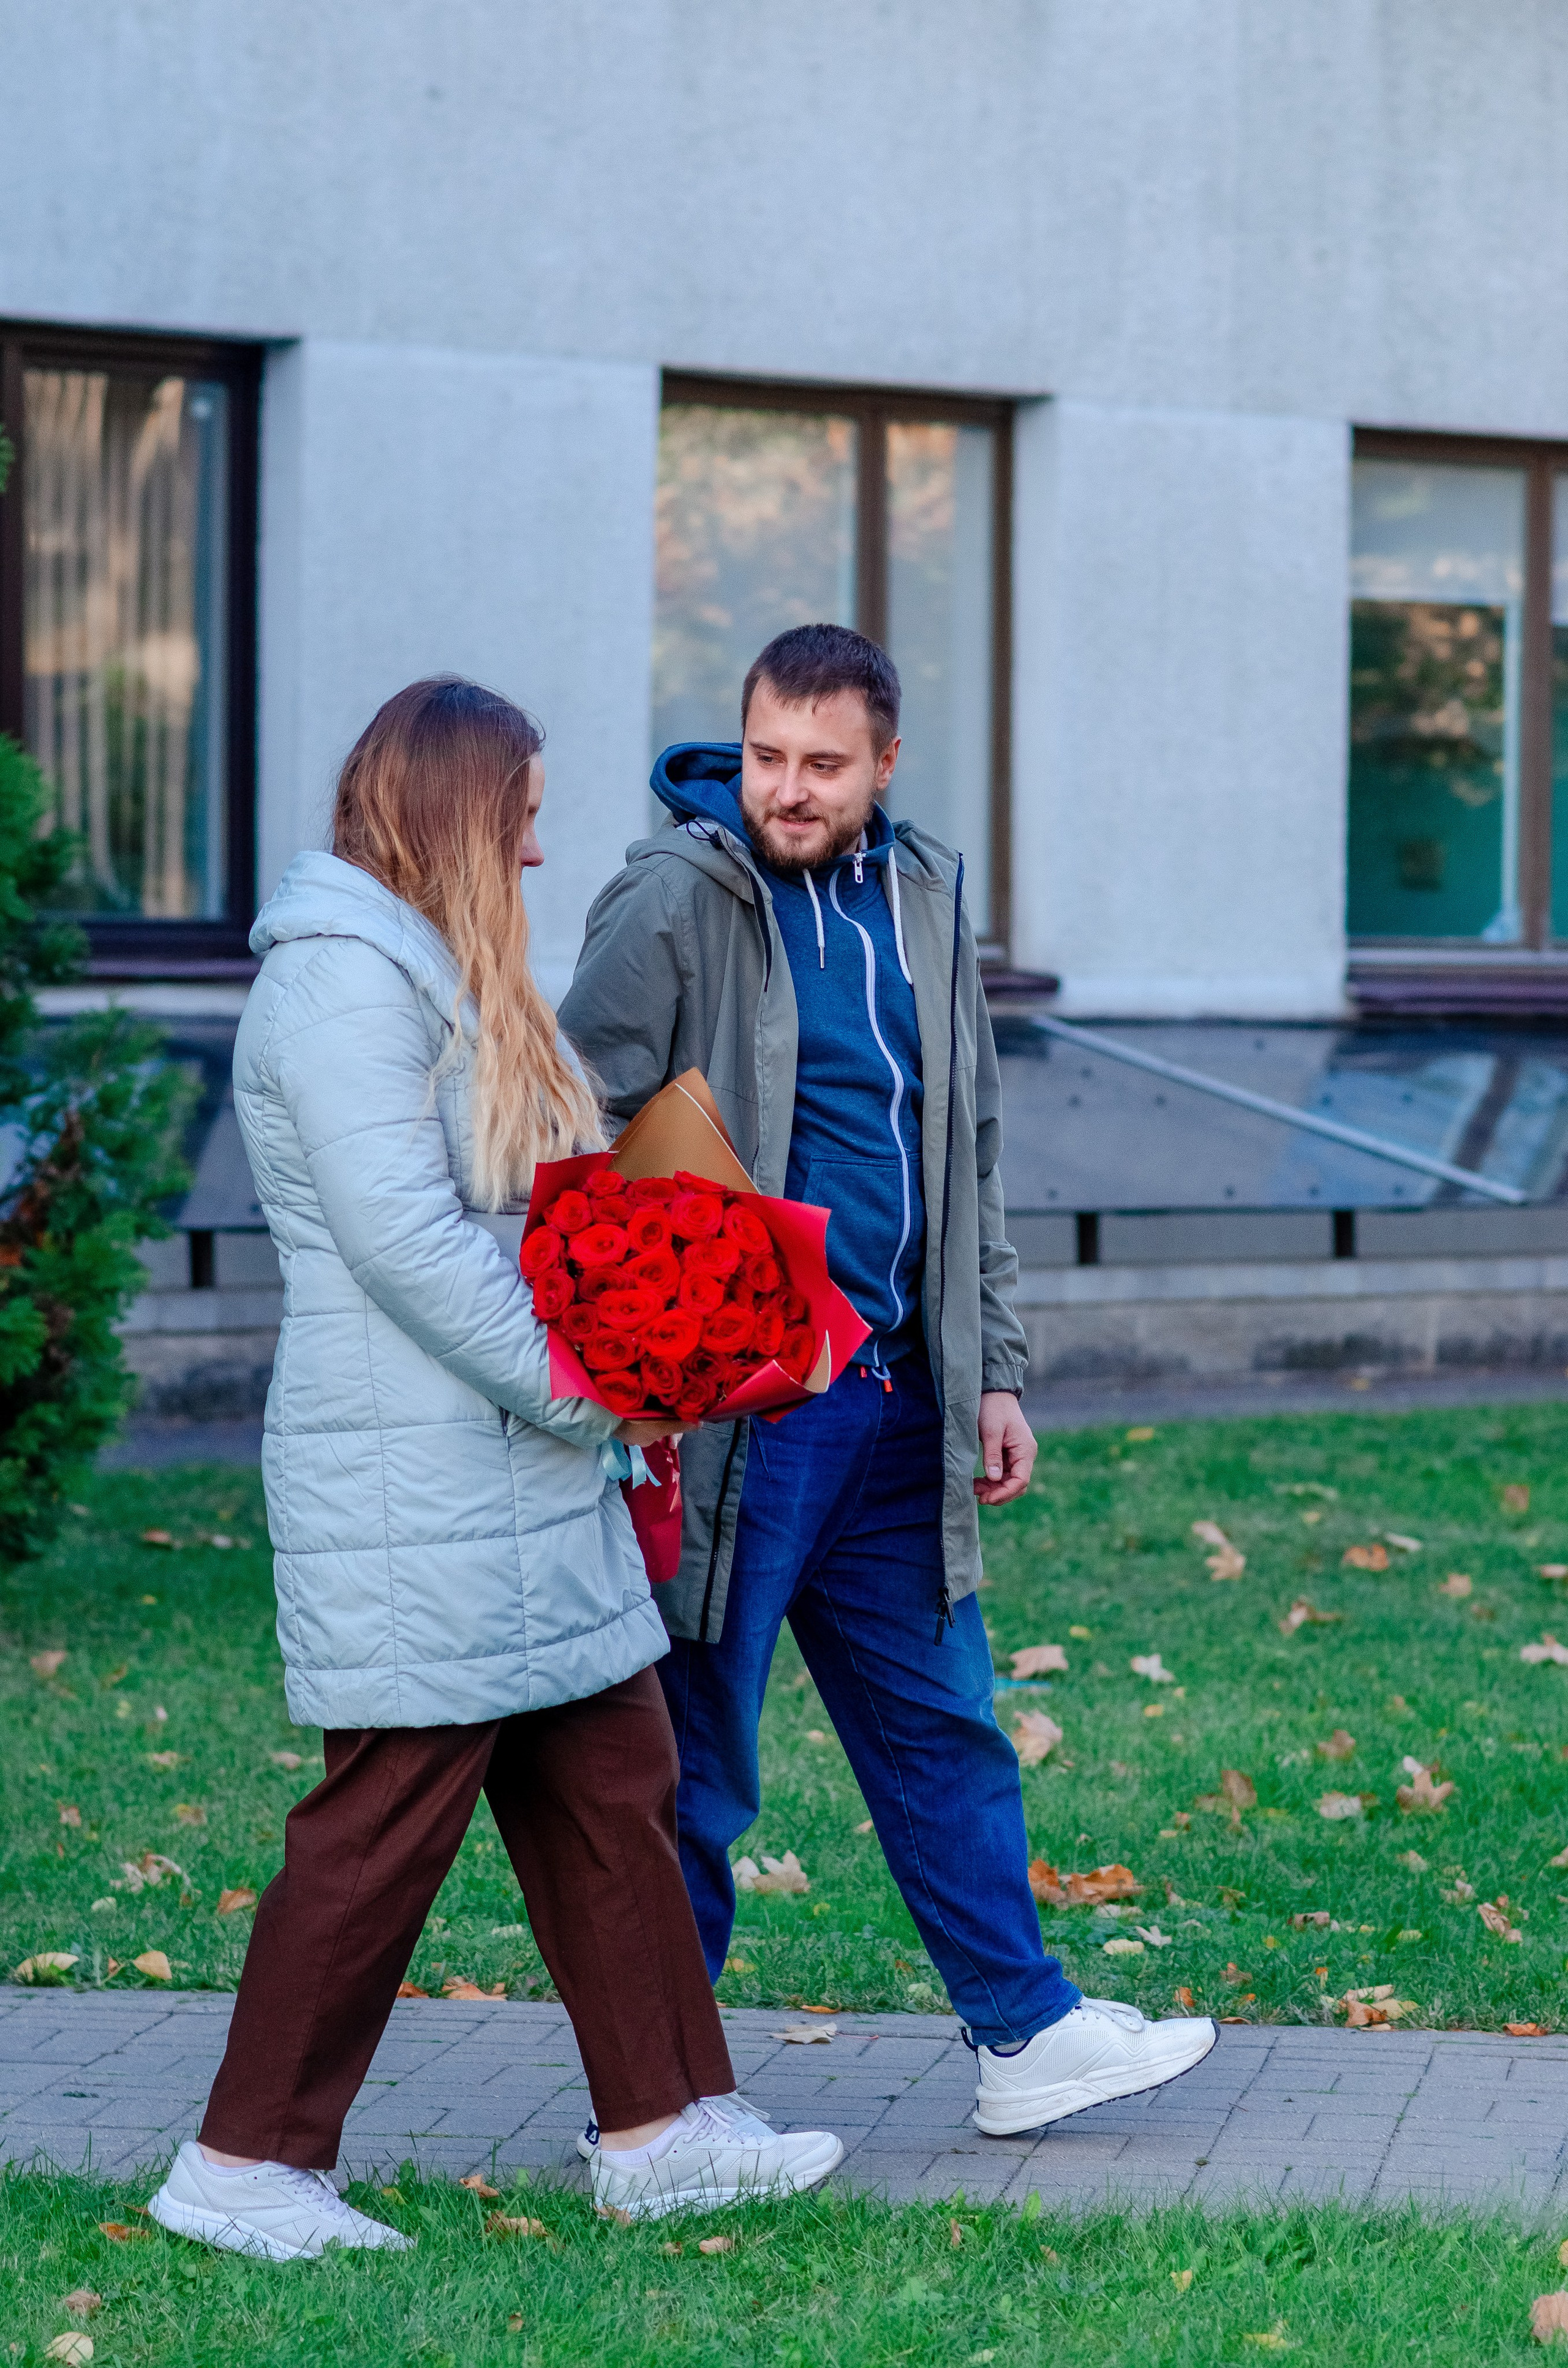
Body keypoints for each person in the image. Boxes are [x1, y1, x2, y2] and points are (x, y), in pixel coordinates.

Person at [146, 678, 840, 2260]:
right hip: (423, 1482)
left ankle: (664, 2127)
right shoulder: (338, 988)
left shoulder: (428, 978)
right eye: (523, 817)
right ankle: (245, 2160)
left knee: (615, 1781)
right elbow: (411, 1251)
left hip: (503, 1479)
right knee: (382, 1816)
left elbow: (519, 1215)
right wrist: (593, 1393)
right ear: (456, 811)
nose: (537, 849)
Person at [560, 625, 1216, 2137]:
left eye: (821, 764)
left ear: (885, 763)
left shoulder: (921, 898)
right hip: (742, 1410)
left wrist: (990, 1369)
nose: (784, 790)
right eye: (765, 755)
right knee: (698, 1762)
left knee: (942, 1726)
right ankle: (658, 2108)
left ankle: (1022, 2034)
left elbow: (965, 1147)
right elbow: (572, 1124)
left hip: (897, 1398)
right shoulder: (674, 895)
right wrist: (655, 1360)